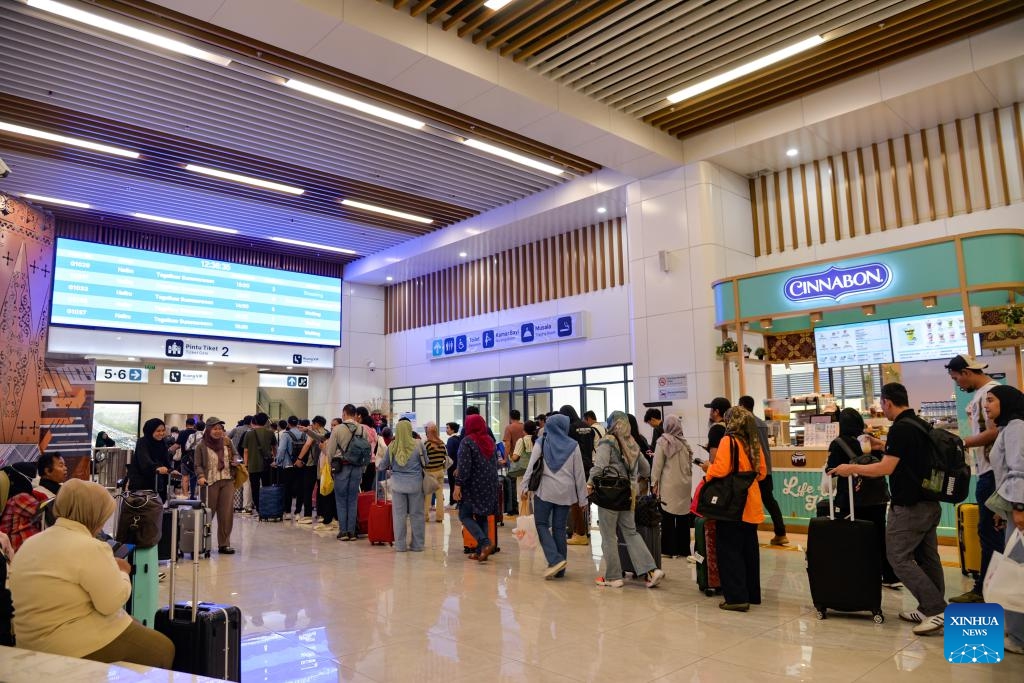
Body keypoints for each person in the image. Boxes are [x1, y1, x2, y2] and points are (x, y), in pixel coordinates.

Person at [10, 479, 175, 667]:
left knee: (135, 625)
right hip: (69, 645)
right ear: (94, 515)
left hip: (30, 641)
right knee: (162, 648)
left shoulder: (32, 543)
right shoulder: (90, 546)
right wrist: (122, 572)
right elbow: (110, 603)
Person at [831, 383, 946, 635]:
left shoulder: (900, 429)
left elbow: (885, 469)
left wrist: (852, 468)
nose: (882, 408)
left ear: (887, 402)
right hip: (929, 502)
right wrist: (882, 445)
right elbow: (906, 454)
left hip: (909, 505)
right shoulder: (919, 424)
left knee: (898, 557)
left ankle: (936, 608)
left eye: (882, 404)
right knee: (928, 557)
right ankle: (929, 608)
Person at [945, 355, 1004, 603]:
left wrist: (960, 442)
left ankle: (986, 590)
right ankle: (991, 586)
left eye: (957, 377)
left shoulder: (990, 394)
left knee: (990, 532)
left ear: (966, 372)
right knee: (991, 531)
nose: (957, 383)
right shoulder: (986, 394)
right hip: (989, 471)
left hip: (993, 473)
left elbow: (993, 432)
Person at [826, 408, 901, 588]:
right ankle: (890, 576)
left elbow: (831, 470)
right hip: (877, 496)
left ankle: (860, 573)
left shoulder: (838, 443)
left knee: (854, 536)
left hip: (852, 498)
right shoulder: (869, 441)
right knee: (879, 534)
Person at [589, 411, 665, 588]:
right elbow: (646, 469)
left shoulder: (608, 441)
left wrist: (589, 483)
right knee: (631, 532)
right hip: (629, 494)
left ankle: (613, 576)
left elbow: (599, 466)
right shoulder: (632, 442)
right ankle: (652, 570)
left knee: (608, 535)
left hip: (610, 493)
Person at [704, 407, 766, 611]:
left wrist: (707, 470)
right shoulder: (753, 441)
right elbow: (762, 473)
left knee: (730, 551)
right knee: (749, 550)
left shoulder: (728, 440)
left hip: (733, 503)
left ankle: (737, 598)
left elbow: (721, 469)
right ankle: (751, 593)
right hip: (752, 499)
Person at [984, 384, 1024, 654]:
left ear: (1006, 402)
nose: (986, 405)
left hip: (1020, 508)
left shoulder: (1017, 426)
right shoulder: (1009, 426)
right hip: (1013, 508)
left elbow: (1019, 468)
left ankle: (1020, 637)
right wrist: (1005, 510)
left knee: (1017, 569)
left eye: (991, 400)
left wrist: (1019, 506)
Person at [523, 414, 588, 579]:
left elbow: (531, 466)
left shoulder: (542, 442)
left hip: (545, 491)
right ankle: (560, 569)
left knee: (542, 524)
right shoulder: (573, 446)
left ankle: (555, 559)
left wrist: (524, 486)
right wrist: (583, 499)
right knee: (559, 529)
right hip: (566, 493)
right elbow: (579, 474)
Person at [738, 396, 788, 547]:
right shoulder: (761, 423)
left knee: (745, 501)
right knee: (769, 501)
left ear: (742, 406)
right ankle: (781, 533)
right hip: (766, 469)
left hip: (752, 471)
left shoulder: (744, 423)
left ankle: (746, 534)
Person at [454, 414, 499, 561]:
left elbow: (464, 468)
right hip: (490, 484)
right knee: (482, 516)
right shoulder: (490, 441)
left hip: (473, 485)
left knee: (464, 515)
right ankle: (482, 552)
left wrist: (458, 485)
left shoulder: (467, 442)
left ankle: (485, 543)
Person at [325, 404, 372, 541]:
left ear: (344, 413)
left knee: (340, 499)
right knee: (353, 499)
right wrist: (362, 469)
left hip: (341, 467)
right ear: (355, 414)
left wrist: (330, 467)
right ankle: (352, 532)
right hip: (357, 468)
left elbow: (330, 451)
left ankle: (343, 531)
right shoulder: (362, 429)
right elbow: (365, 451)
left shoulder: (338, 429)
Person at [193, 417, 239, 555]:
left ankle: (224, 544)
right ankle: (201, 544)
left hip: (227, 480)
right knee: (207, 513)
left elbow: (236, 455)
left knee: (226, 514)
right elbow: (198, 465)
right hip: (209, 483)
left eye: (220, 428)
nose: (218, 431)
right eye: (215, 428)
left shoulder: (227, 442)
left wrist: (237, 461)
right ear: (208, 430)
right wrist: (201, 476)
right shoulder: (201, 446)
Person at [651, 415, 693, 559]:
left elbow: (657, 465)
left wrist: (654, 483)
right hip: (685, 484)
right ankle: (683, 549)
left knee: (668, 516)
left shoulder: (663, 441)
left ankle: (668, 549)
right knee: (683, 517)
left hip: (669, 483)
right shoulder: (685, 442)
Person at [381, 420, 426, 552]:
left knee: (399, 516)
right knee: (417, 515)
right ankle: (418, 545)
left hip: (398, 485)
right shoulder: (418, 444)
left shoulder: (393, 445)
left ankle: (400, 545)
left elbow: (383, 464)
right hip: (415, 484)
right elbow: (426, 461)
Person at [560, 405, 597, 546]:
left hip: (576, 466)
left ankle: (579, 531)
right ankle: (584, 528)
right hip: (588, 464)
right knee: (585, 499)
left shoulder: (570, 428)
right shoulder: (587, 427)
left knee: (575, 500)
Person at [127, 418, 173, 499]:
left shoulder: (162, 443)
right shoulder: (142, 442)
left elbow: (165, 461)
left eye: (163, 430)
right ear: (150, 430)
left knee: (158, 506)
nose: (161, 433)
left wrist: (171, 470)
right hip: (142, 484)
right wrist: (156, 468)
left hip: (158, 483)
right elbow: (144, 461)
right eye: (158, 431)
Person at [275, 416, 307, 522]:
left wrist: (278, 461)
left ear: (288, 424)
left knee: (287, 489)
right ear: (298, 423)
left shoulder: (286, 435)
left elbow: (281, 449)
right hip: (301, 465)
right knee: (300, 489)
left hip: (288, 465)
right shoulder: (304, 434)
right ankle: (298, 512)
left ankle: (288, 512)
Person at [242, 413, 275, 516]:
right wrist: (274, 459)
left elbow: (246, 451)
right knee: (266, 487)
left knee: (255, 488)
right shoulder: (270, 433)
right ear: (266, 421)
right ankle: (267, 507)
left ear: (255, 420)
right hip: (267, 465)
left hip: (253, 465)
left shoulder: (249, 434)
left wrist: (245, 465)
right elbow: (274, 448)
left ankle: (259, 508)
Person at [422, 422, 448, 522]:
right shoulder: (442, 444)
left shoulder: (427, 444)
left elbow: (424, 459)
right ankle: (440, 517)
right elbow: (444, 457)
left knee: (427, 496)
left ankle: (425, 516)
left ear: (428, 432)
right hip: (440, 471)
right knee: (439, 495)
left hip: (430, 472)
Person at [509, 420, 537, 501]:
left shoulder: (522, 440)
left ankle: (524, 513)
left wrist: (510, 457)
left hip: (523, 472)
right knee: (534, 497)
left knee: (523, 498)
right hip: (536, 472)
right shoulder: (537, 440)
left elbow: (515, 457)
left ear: (524, 430)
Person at [444, 422, 461, 509]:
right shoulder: (459, 438)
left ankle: (453, 502)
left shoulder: (451, 440)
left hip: (452, 466)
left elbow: (449, 455)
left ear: (452, 429)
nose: (446, 430)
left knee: (452, 484)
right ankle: (457, 502)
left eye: (447, 428)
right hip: (459, 465)